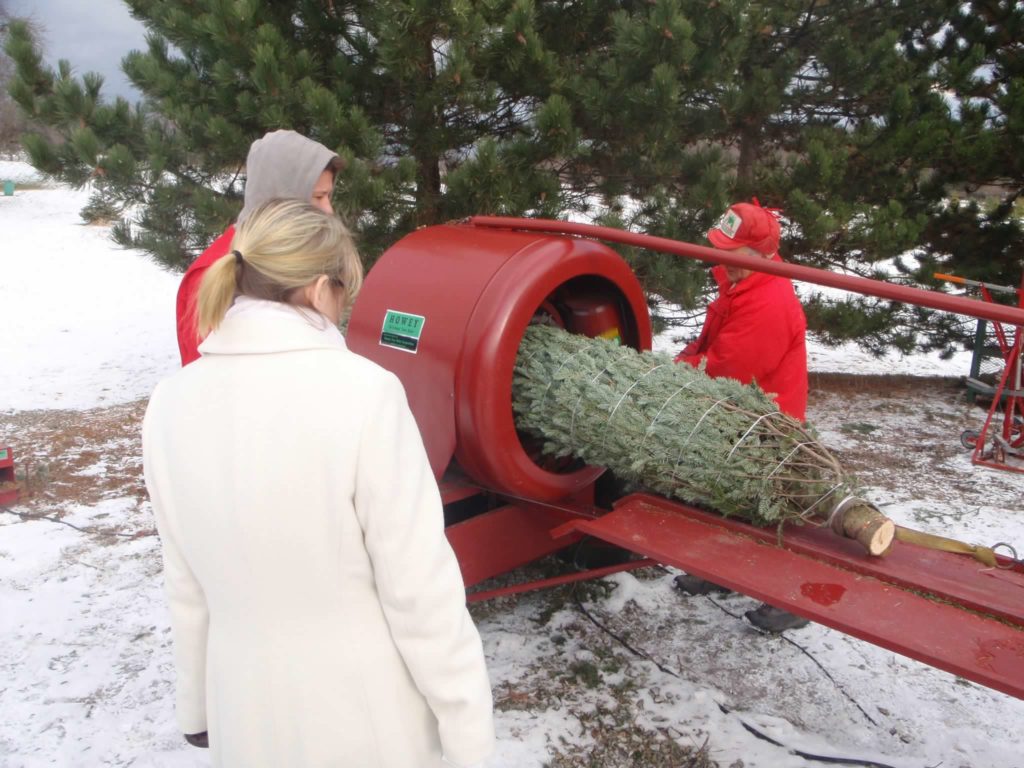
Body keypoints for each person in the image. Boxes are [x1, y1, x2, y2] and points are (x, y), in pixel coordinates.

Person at [143, 199, 495, 767]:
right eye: (342, 292)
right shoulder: (364, 393)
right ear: (315, 287)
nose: (342, 308)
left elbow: (185, 579)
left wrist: (198, 710)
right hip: (363, 720)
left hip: (242, 714)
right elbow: (420, 592)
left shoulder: (170, 401)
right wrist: (468, 737)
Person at [673, 199, 811, 633]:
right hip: (740, 412)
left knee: (769, 504)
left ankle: (792, 596)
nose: (719, 260)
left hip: (767, 418)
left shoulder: (768, 301)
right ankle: (723, 572)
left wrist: (677, 369)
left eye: (728, 253)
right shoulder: (739, 280)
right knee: (728, 491)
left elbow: (728, 370)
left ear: (759, 255)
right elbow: (711, 343)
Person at [175, 129, 341, 366]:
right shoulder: (218, 269)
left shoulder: (297, 260)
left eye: (328, 196)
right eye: (318, 197)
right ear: (281, 196)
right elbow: (204, 378)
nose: (328, 210)